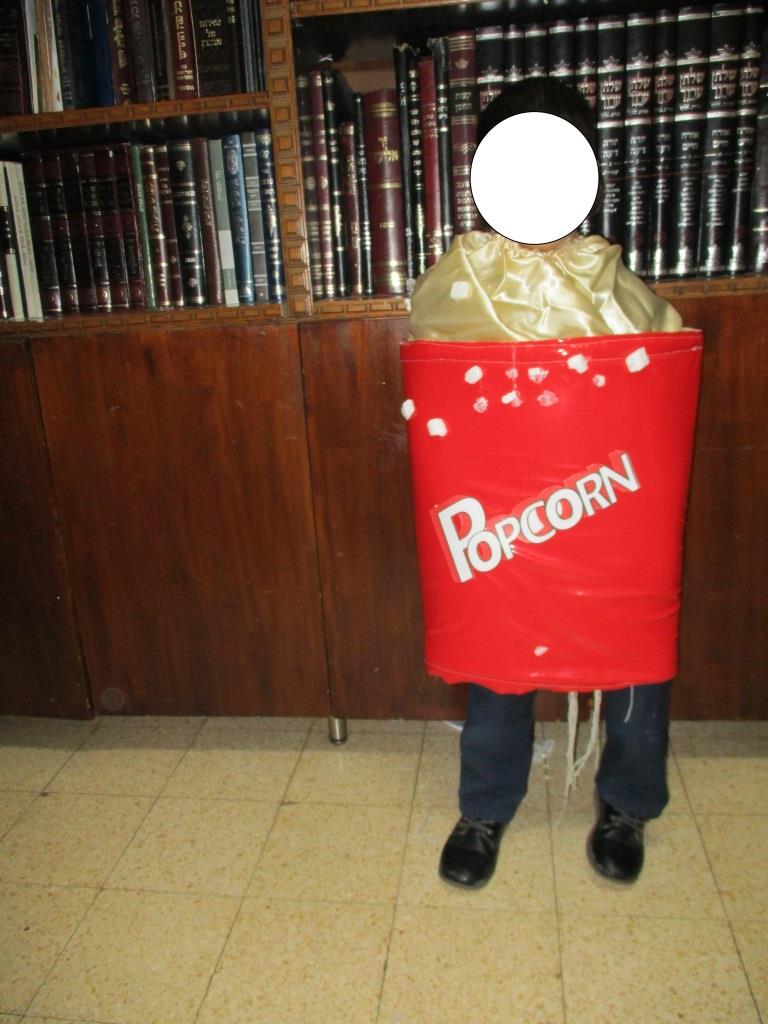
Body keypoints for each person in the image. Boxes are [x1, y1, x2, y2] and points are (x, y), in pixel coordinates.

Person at [407, 78, 686, 889]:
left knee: (632, 644)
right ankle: (486, 804)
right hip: (507, 509)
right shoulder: (460, 276)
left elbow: (659, 370)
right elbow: (438, 367)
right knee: (502, 643)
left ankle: (628, 801)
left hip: (608, 495)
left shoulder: (607, 276)